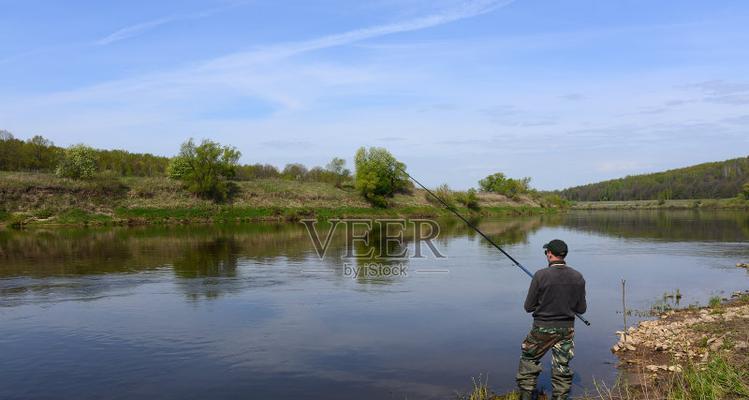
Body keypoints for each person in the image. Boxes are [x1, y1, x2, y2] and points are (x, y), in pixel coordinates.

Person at [516, 239, 586, 400]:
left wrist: (544, 304)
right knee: (562, 367)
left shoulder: (540, 275)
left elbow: (528, 307)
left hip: (543, 328)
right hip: (567, 330)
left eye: (546, 252)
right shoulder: (578, 277)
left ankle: (526, 396)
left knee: (528, 360)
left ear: (549, 254)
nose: (546, 254)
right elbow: (581, 309)